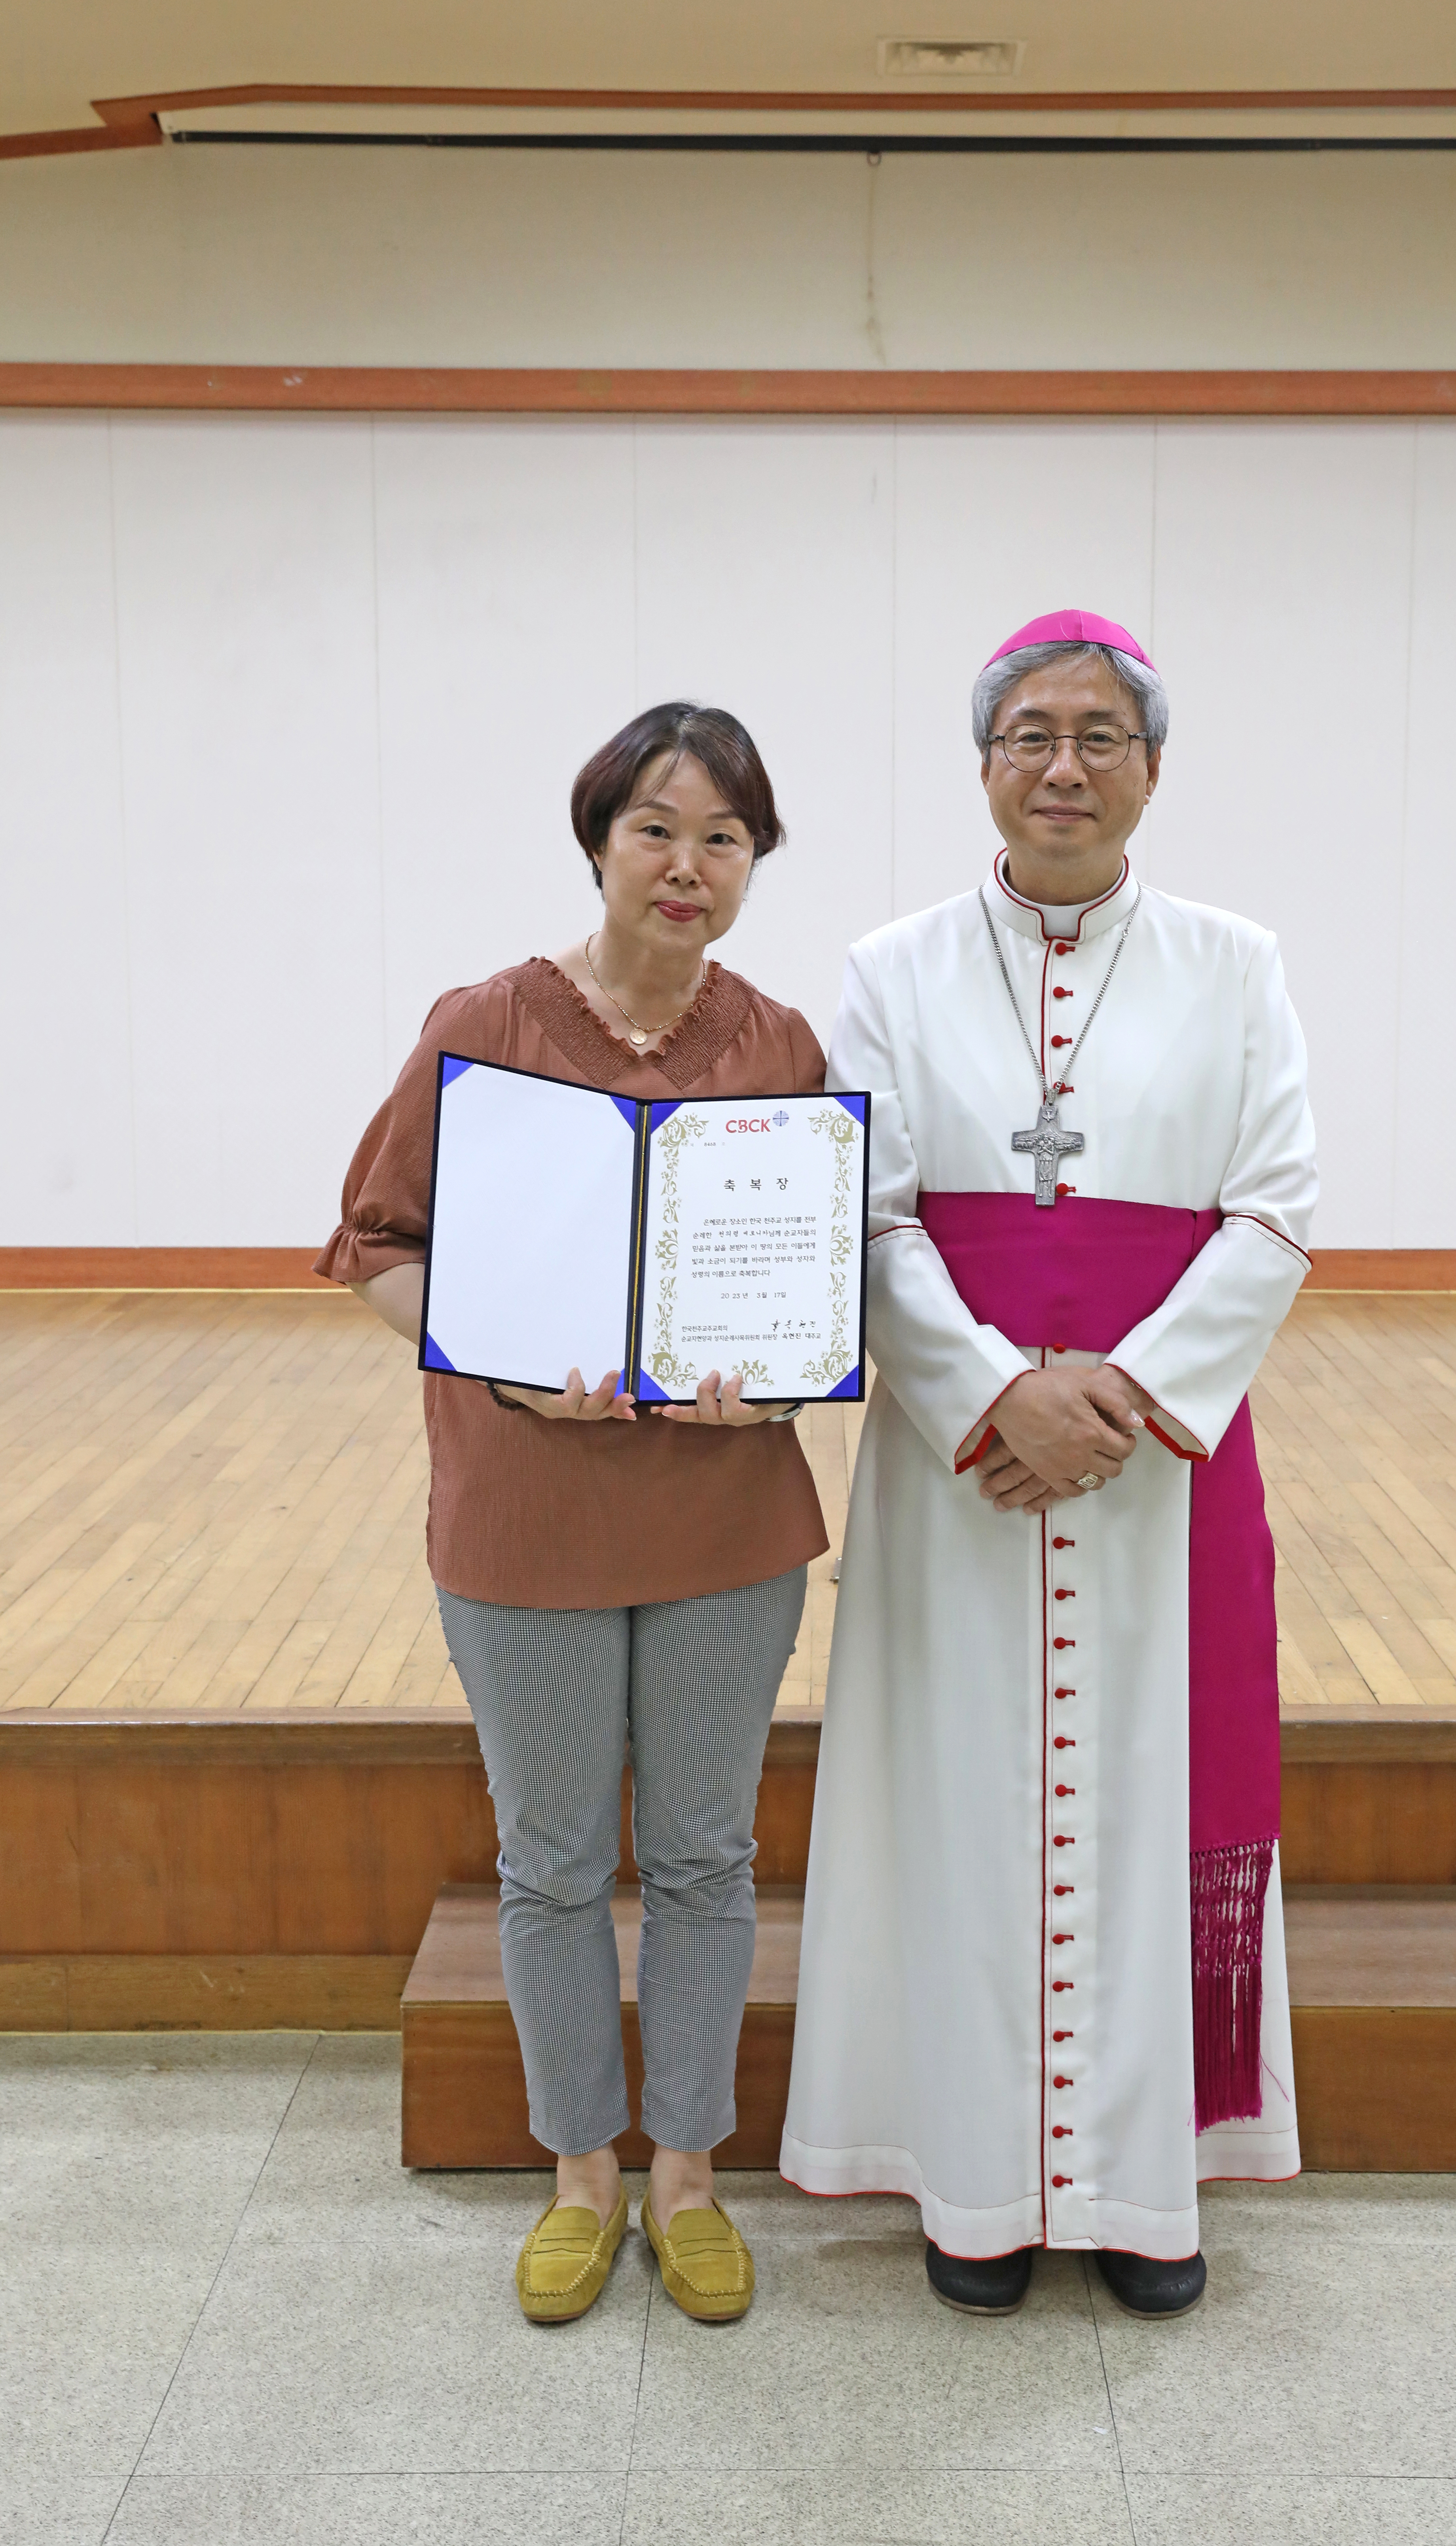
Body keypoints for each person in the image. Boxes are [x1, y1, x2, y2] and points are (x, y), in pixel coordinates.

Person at [781, 609, 1317, 2316]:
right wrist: (993, 1393)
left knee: (1151, 1802)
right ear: (985, 764)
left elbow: (1275, 1206)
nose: (1063, 764)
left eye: (1099, 733)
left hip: (1153, 1477)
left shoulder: (1237, 965)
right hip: (960, 1477)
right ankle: (975, 2190)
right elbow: (861, 1211)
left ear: (1150, 765)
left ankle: (1144, 2194)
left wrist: (1122, 1398)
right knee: (954, 1802)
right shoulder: (891, 967)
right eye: (1030, 733)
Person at [317, 702, 828, 2326]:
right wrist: (488, 1351)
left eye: (723, 839)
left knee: (701, 1855)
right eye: (656, 832)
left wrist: (779, 1369)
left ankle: (684, 2170)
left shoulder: (779, 1046)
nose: (688, 868)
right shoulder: (483, 1021)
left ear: (755, 863)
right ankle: (576, 2172)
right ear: (597, 840)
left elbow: (805, 1283)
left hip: (722, 1525)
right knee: (548, 1863)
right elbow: (375, 1246)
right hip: (523, 1514)